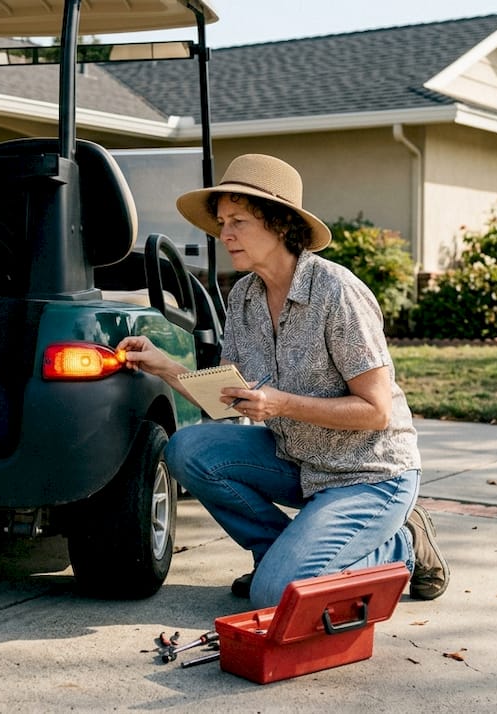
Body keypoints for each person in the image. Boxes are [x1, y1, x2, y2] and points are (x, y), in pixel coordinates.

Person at [116, 154, 448, 607]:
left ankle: (405, 543)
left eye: (239, 221)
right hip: (299, 461)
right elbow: (230, 398)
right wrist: (163, 366)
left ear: (280, 225)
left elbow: (376, 412)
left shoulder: (337, 292)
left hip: (368, 475)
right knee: (188, 450)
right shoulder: (244, 298)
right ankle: (278, 554)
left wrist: (282, 404)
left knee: (273, 595)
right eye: (221, 222)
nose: (224, 233)